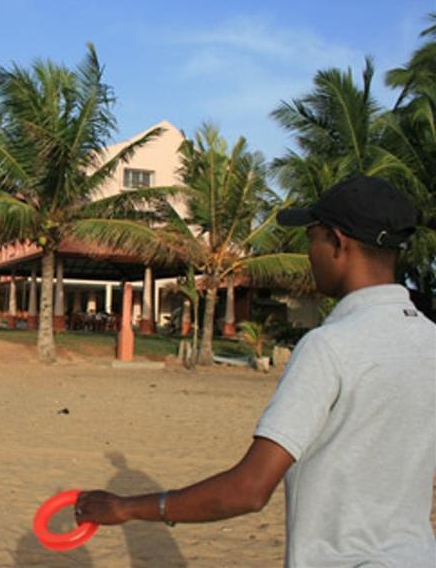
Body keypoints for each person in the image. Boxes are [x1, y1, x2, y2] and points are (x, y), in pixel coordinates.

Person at [75, 176, 436, 567]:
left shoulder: (329, 347)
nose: (309, 252)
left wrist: (126, 509)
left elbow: (247, 490)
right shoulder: (430, 339)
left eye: (312, 238)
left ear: (337, 242)